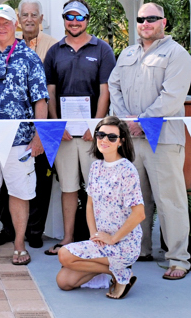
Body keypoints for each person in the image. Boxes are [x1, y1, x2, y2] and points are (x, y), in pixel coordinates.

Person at [108, 2, 191, 280]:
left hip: (163, 139)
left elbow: (172, 96)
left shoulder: (176, 54)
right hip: (131, 140)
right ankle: (139, 250)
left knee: (170, 200)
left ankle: (179, 259)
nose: (145, 23)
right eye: (141, 18)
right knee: (136, 200)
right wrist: (124, 120)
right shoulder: (128, 53)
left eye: (152, 18)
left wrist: (141, 121)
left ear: (163, 22)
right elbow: (114, 86)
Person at [0, 4, 48, 266]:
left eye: (6, 22)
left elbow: (40, 99)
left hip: (20, 139)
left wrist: (39, 135)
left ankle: (18, 244)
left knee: (19, 193)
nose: (1, 27)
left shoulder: (29, 56)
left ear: (15, 24)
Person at [44, 0, 116, 256]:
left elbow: (105, 91)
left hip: (91, 135)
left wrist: (96, 126)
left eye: (79, 17)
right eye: (69, 17)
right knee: (68, 188)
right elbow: (50, 91)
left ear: (87, 19)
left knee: (95, 189)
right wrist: (55, 123)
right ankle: (67, 240)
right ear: (64, 19)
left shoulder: (102, 49)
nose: (74, 22)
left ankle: (98, 240)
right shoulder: (55, 51)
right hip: (64, 134)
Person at [0, 0, 57, 249]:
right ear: (18, 20)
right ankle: (8, 228)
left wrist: (46, 128)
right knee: (6, 181)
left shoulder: (54, 47)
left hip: (43, 124)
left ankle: (34, 230)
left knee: (40, 179)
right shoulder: (9, 46)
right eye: (25, 15)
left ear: (41, 19)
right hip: (10, 128)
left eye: (34, 14)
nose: (29, 19)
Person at [57, 116, 145, 300]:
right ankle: (119, 274)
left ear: (121, 142)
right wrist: (94, 235)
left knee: (64, 255)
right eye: (100, 134)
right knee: (64, 281)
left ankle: (120, 272)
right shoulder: (96, 167)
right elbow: (90, 204)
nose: (104, 140)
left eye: (111, 137)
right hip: (102, 241)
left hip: (123, 244)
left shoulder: (127, 170)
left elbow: (139, 214)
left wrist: (113, 239)